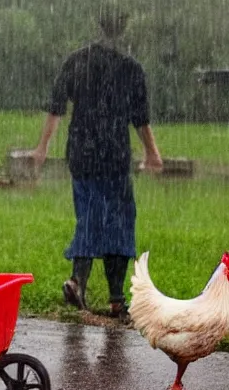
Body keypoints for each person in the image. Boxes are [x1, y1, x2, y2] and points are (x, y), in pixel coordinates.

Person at [30, 2, 163, 323]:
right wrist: (152, 153)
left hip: (82, 153)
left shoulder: (77, 62)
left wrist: (42, 147)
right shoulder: (131, 69)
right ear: (123, 28)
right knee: (118, 221)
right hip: (114, 155)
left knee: (88, 215)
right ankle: (117, 300)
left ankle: (78, 280)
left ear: (99, 26)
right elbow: (140, 120)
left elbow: (55, 108)